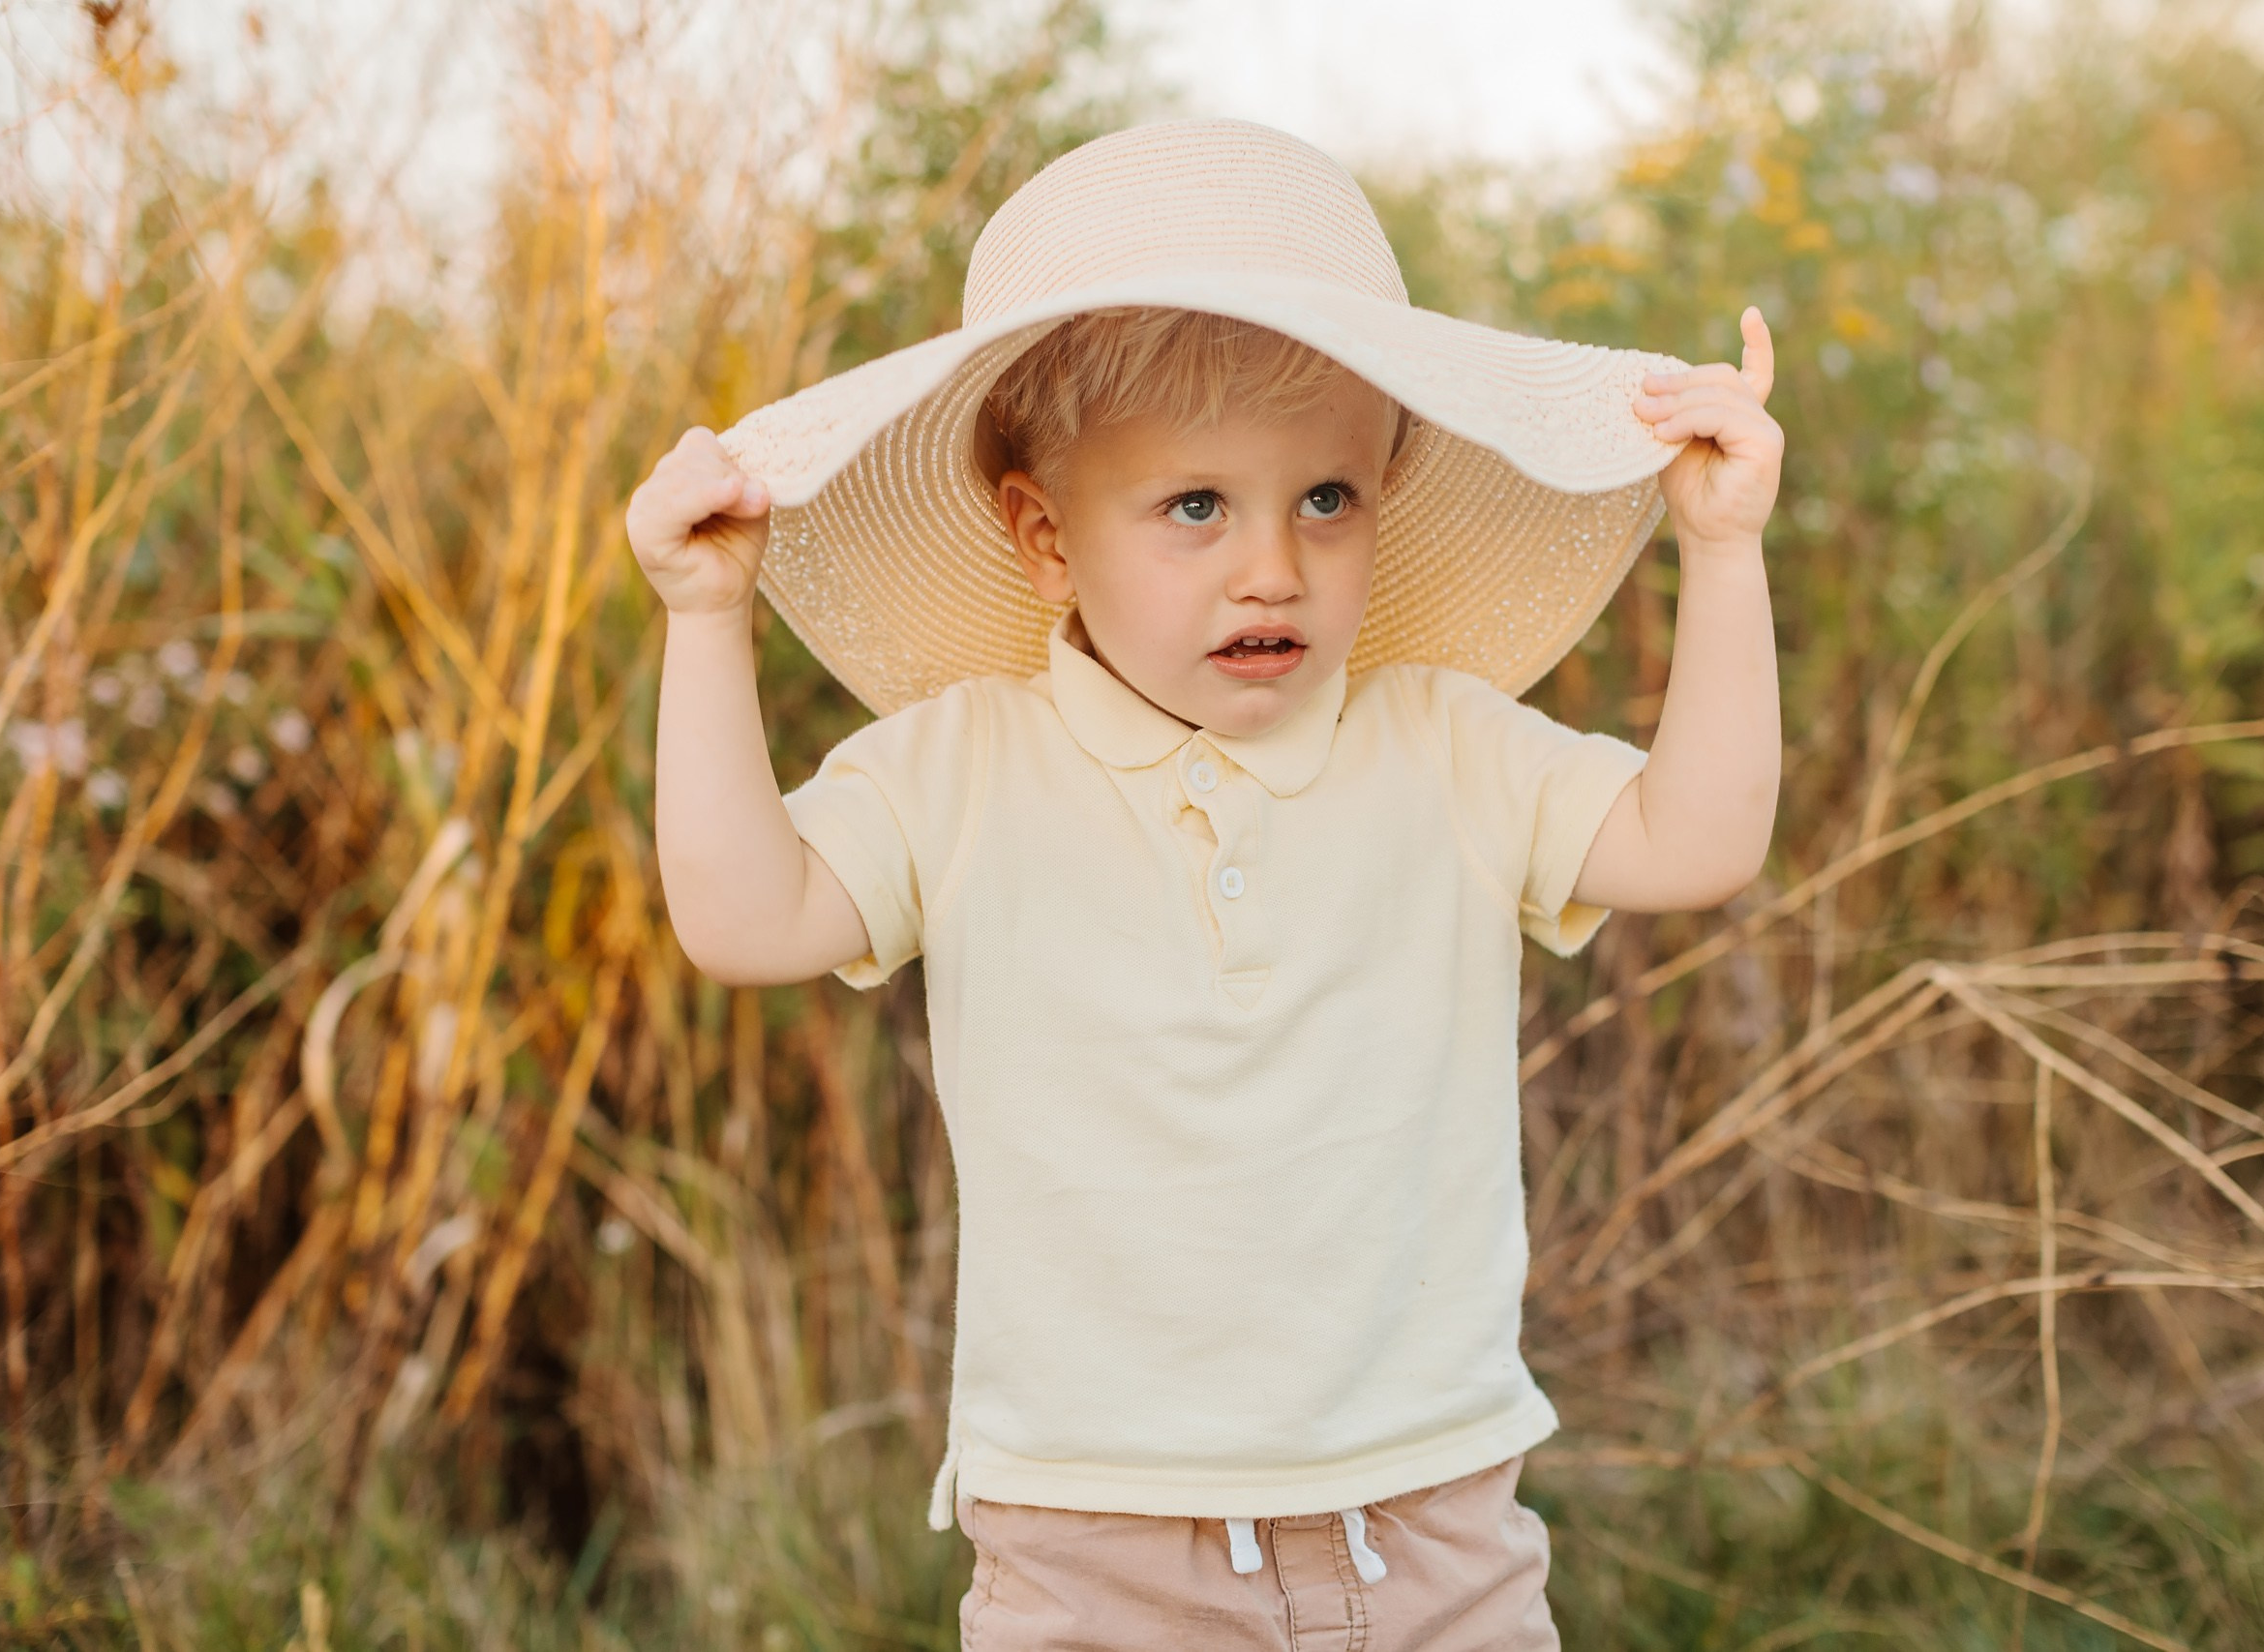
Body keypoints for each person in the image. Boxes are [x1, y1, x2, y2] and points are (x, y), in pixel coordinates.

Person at [625, 119, 1783, 1650]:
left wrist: (1724, 554)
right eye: (1195, 508)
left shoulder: (1442, 743)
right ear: (1043, 534)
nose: (1273, 570)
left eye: (1327, 500)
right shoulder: (965, 766)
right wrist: (707, 626)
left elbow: (1696, 840)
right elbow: (742, 917)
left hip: (1428, 1517)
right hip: (1095, 1538)